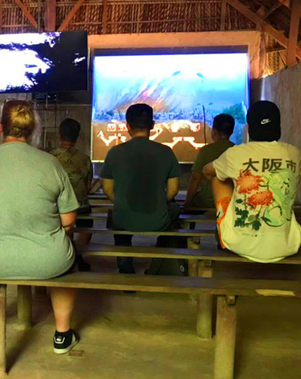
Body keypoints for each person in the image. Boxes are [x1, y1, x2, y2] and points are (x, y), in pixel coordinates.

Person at [0, 100, 80, 355]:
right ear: (33, 129)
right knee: (68, 265)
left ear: (0, 127)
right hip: (48, 260)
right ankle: (62, 335)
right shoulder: (50, 163)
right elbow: (69, 220)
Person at [203, 100, 301, 262]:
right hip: (287, 245)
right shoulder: (294, 154)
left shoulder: (236, 153)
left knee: (218, 177)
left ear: (249, 128)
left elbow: (207, 171)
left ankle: (225, 222)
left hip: (239, 244)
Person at [101, 104, 181, 274]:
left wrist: (120, 201)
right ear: (152, 125)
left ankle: (125, 268)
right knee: (175, 213)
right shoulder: (166, 152)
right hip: (158, 220)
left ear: (127, 126)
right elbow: (173, 190)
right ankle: (156, 266)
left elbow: (107, 189)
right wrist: (161, 202)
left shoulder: (114, 152)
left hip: (124, 219)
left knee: (119, 224)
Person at [50, 118, 93, 271]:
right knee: (87, 226)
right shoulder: (85, 159)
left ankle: (67, 252)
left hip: (56, 207)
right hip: (81, 206)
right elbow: (88, 186)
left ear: (59, 134)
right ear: (78, 136)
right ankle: (78, 255)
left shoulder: (50, 158)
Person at [185, 114, 236, 209]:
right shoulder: (237, 150)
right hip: (232, 199)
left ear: (214, 131)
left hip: (208, 200)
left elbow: (195, 178)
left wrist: (187, 203)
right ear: (231, 131)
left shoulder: (205, 150)